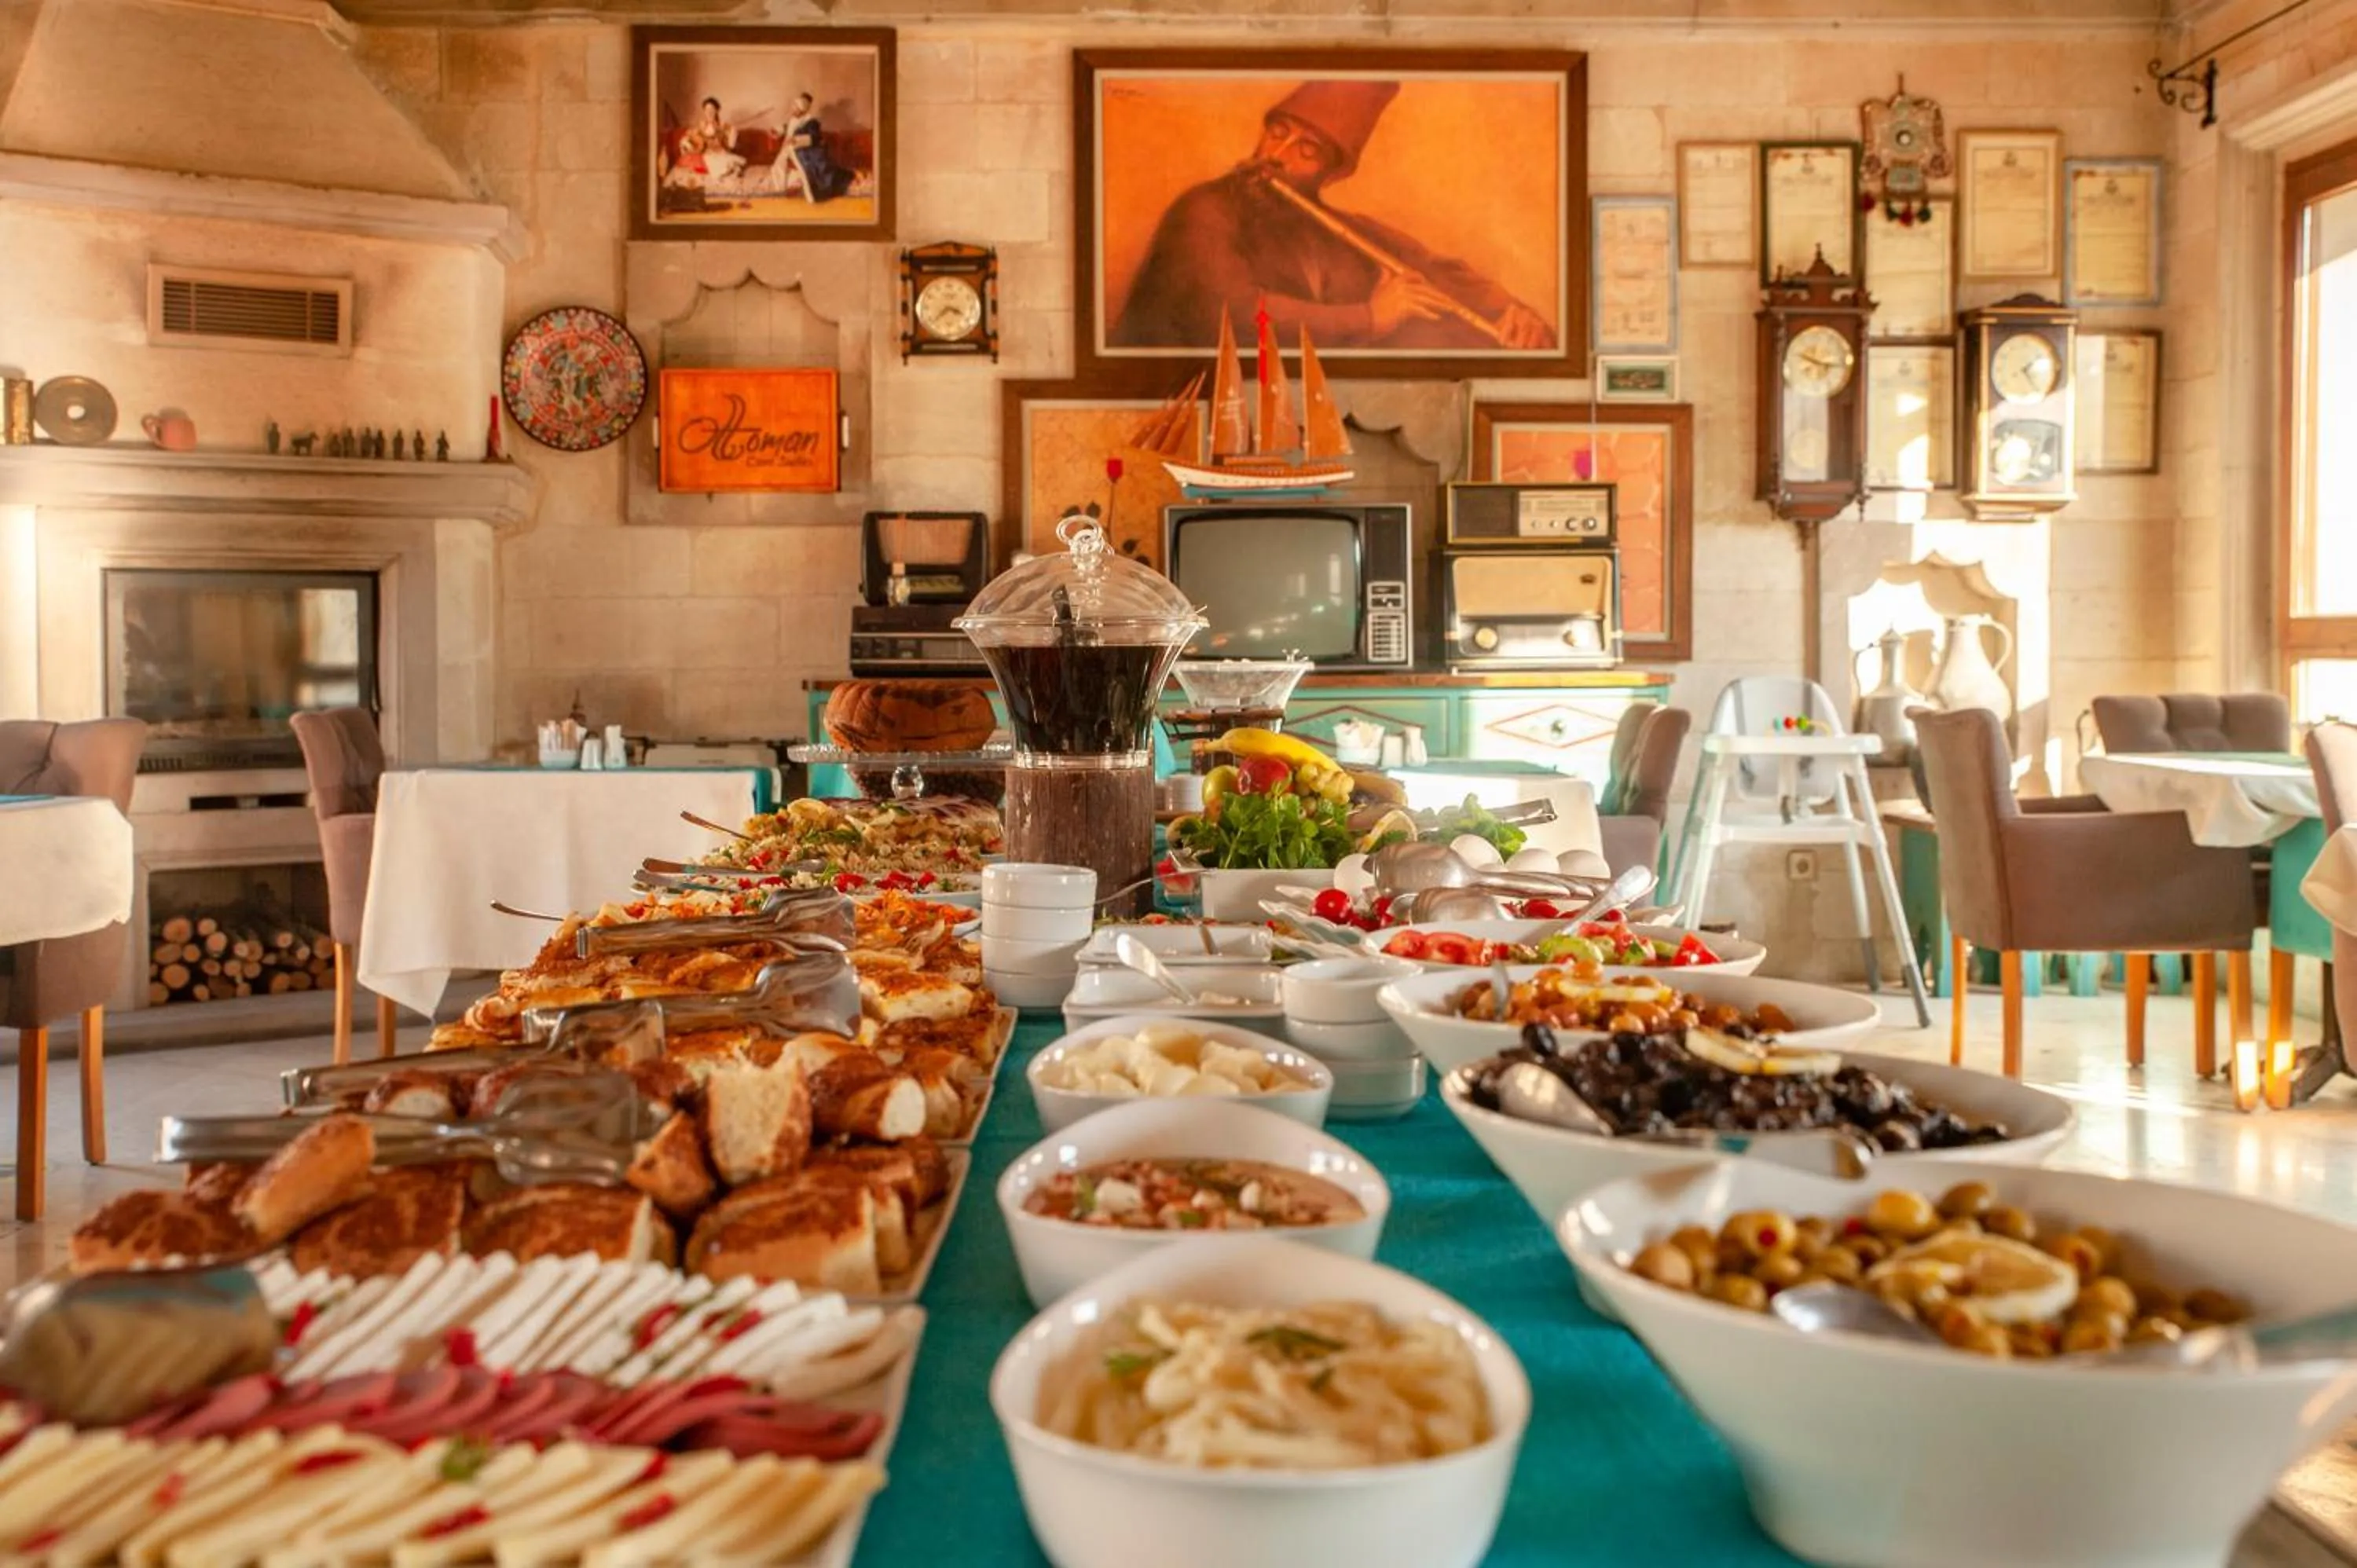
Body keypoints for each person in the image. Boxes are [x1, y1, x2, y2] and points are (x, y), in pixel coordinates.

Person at [1113, 80, 1555, 352]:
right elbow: (1232, 314)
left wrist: (1516, 315)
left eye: (1307, 150)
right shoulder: (1203, 210)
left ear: (1329, 170)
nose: (1278, 155)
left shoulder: (1343, 233)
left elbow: (1440, 273)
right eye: (1278, 132)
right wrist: (1371, 318)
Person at [766, 91, 850, 203]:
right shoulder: (794, 120)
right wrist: (777, 130)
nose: (792, 109)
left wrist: (796, 140)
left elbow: (815, 138)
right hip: (788, 150)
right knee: (778, 167)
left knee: (811, 172)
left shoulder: (811, 122)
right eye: (793, 107)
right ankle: (780, 192)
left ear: (801, 109)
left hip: (805, 152)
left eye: (795, 107)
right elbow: (788, 128)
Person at [669, 97, 746, 188]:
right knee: (715, 163)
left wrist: (733, 133)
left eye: (712, 109)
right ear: (704, 111)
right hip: (708, 155)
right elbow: (688, 137)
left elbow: (731, 144)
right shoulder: (701, 126)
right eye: (707, 109)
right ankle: (727, 173)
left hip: (722, 153)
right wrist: (686, 143)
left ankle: (732, 171)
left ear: (716, 111)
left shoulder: (722, 126)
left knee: (733, 161)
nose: (709, 112)